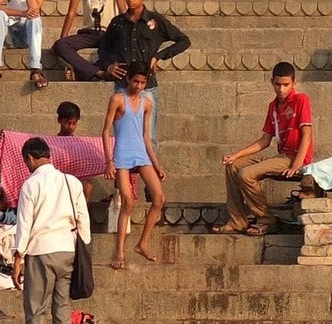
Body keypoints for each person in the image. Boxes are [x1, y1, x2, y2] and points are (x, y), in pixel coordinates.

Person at [11, 138, 91, 324]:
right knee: (62, 313)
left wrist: (17, 257)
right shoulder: (72, 182)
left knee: (36, 314)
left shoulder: (31, 185)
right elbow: (83, 221)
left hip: (40, 252)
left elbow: (24, 225)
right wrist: (83, 252)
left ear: (29, 159)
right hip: (67, 250)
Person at [98, 0, 190, 199]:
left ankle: (150, 185)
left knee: (149, 135)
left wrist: (160, 56)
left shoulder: (155, 21)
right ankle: (121, 184)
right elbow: (103, 48)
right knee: (121, 135)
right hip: (123, 83)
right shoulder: (117, 23)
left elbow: (183, 40)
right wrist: (108, 66)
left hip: (147, 86)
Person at [213, 62, 314, 236]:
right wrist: (235, 155)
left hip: (294, 158)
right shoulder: (273, 107)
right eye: (277, 84)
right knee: (233, 165)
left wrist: (296, 165)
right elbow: (264, 141)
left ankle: (266, 219)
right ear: (271, 82)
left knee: (246, 174)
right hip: (281, 156)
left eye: (286, 85)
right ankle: (238, 221)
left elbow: (307, 135)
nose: (281, 89)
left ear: (294, 84)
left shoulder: (301, 99)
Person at [101, 61, 166, 270]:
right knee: (128, 202)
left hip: (141, 153)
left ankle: (143, 243)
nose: (138, 86)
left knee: (159, 198)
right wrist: (109, 161)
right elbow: (106, 131)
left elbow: (146, 136)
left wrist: (157, 164)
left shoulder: (147, 103)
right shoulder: (118, 99)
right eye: (135, 81)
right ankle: (119, 251)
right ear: (128, 78)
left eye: (143, 82)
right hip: (121, 154)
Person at [52, 0, 127, 81]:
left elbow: (123, 12)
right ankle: (97, 72)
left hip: (109, 33)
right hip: (89, 34)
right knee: (60, 45)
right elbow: (71, 12)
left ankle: (82, 73)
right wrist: (62, 40)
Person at [0, 0, 48, 93]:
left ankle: (35, 69)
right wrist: (21, 13)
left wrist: (26, 13)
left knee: (35, 17)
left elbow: (34, 8)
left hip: (26, 36)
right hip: (8, 35)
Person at [56, 101, 94, 201]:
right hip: (59, 179)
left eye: (74, 123)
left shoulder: (78, 144)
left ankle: (82, 216)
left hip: (76, 178)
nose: (71, 127)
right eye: (67, 123)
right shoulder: (54, 143)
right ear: (59, 120)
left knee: (88, 186)